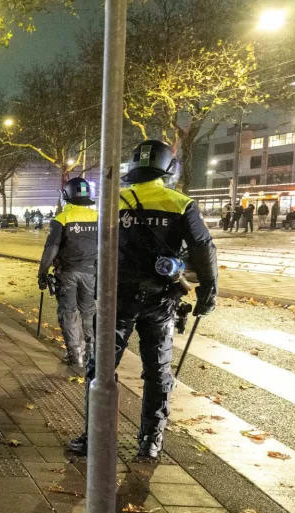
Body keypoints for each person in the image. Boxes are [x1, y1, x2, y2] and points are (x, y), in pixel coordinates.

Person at [67, 140, 217, 460]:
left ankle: (94, 436)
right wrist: (208, 291)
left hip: (115, 300)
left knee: (101, 369)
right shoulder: (180, 203)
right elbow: (203, 248)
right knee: (158, 370)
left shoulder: (113, 202)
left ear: (134, 168)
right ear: (168, 169)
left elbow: (97, 248)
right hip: (160, 301)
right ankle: (150, 440)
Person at [38, 177, 98, 368]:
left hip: (68, 274)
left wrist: (42, 272)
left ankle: (75, 355)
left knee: (68, 312)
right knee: (89, 312)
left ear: (66, 195)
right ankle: (92, 354)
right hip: (91, 273)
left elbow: (51, 249)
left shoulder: (61, 219)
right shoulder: (98, 218)